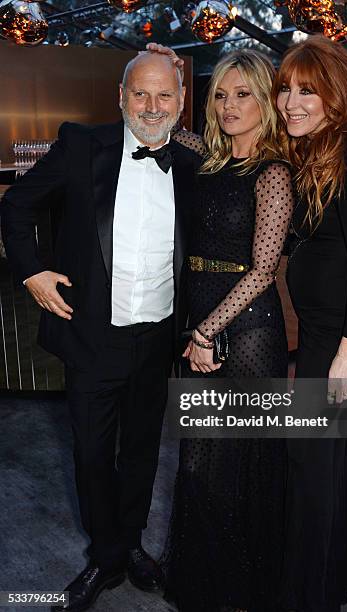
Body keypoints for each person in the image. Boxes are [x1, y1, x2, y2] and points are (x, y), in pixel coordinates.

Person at [1, 52, 201, 612]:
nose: (153, 107)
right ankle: (104, 556)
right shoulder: (80, 146)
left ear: (182, 103)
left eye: (165, 96)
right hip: (92, 338)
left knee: (141, 452)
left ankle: (131, 546)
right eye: (141, 94)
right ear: (121, 96)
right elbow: (16, 205)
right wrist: (32, 271)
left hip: (157, 336)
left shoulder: (191, 167)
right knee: (91, 455)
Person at [150, 45, 293, 611]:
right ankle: (204, 578)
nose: (231, 106)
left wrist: (206, 332)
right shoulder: (206, 158)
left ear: (265, 100)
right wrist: (168, 69)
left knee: (239, 458)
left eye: (244, 95)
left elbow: (264, 270)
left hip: (249, 329)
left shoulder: (275, 172)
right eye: (222, 95)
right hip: (202, 317)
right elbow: (157, 117)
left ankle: (242, 583)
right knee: (198, 458)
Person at [273, 36, 347, 611]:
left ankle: (310, 592)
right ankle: (332, 570)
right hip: (326, 325)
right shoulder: (316, 151)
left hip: (339, 334)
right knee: (334, 448)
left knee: (311, 452)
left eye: (306, 91)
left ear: (335, 97)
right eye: (285, 91)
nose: (291, 103)